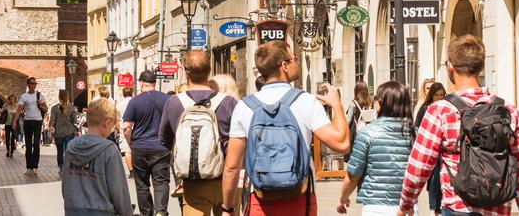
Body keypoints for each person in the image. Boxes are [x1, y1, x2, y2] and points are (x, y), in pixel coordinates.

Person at [397, 35, 519, 216]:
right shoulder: (508, 111)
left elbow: (419, 166)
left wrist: (406, 204)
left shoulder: (440, 111)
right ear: (482, 66)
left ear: (450, 66)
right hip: (498, 209)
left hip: (458, 208)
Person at [221, 41, 351, 215]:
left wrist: (228, 207)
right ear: (284, 65)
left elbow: (231, 168)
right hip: (300, 199)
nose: (296, 62)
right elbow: (342, 144)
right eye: (294, 58)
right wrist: (337, 105)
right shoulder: (306, 101)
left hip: (260, 200)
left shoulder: (244, 107)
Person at [159, 51, 238, 216]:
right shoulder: (229, 102)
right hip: (226, 179)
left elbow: (164, 140)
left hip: (194, 180)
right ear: (210, 71)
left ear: (186, 73)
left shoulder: (173, 103)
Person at [337, 81, 414, 216]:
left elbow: (353, 175)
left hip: (376, 207)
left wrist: (343, 198)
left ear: (380, 103)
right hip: (408, 206)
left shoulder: (367, 133)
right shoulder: (414, 133)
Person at [62, 97, 133, 216]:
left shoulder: (71, 148)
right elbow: (118, 191)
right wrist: (127, 212)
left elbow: (66, 185)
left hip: (73, 210)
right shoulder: (109, 150)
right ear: (107, 122)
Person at [122, 70, 171, 216]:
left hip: (140, 147)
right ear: (155, 83)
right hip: (162, 147)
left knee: (142, 183)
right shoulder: (167, 99)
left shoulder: (134, 101)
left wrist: (131, 144)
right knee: (161, 181)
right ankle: (161, 211)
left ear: (141, 83)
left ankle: (146, 213)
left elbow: (126, 127)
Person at [414, 82, 447, 215]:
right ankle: (434, 207)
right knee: (433, 179)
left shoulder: (447, 108)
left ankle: (441, 205)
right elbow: (418, 128)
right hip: (431, 148)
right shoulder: (425, 109)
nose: (439, 97)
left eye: (441, 95)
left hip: (444, 149)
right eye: (436, 95)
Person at [18, 77, 48, 174]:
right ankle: (28, 167)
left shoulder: (40, 95)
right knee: (28, 145)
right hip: (27, 121)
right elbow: (19, 110)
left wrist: (41, 105)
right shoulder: (24, 96)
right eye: (32, 83)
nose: (33, 85)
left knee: (36, 144)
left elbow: (46, 109)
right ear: (28, 84)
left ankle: (35, 166)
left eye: (35, 83)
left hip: (38, 121)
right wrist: (14, 122)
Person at [52, 90, 81, 170]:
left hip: (58, 133)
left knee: (60, 151)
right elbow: (75, 121)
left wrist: (51, 131)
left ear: (59, 97)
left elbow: (52, 122)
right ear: (67, 96)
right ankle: (68, 166)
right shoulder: (72, 108)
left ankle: (61, 167)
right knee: (68, 150)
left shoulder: (54, 108)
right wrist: (76, 130)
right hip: (69, 133)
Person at [115, 86, 134, 175]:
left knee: (127, 151)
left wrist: (118, 130)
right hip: (136, 127)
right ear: (132, 93)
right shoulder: (136, 102)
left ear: (123, 94)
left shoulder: (120, 105)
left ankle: (131, 171)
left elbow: (117, 119)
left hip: (124, 128)